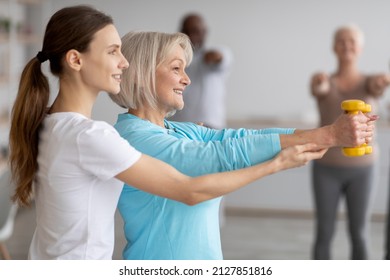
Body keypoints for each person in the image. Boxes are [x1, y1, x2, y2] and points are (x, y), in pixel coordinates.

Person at [7, 5, 330, 261]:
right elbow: (189, 191)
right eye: (113, 52)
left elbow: (225, 142)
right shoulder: (90, 136)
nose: (124, 62)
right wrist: (277, 164)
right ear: (76, 60)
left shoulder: (53, 123)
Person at [109, 31, 376, 260]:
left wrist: (327, 134)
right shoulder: (133, 138)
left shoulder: (177, 130)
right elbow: (215, 157)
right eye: (176, 68)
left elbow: (239, 139)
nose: (187, 79)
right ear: (143, 73)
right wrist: (329, 135)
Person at [310, 24, 390, 260]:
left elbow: (378, 86)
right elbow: (320, 89)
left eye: (352, 41)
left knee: (360, 233)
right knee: (324, 232)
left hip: (363, 170)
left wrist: (383, 81)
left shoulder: (370, 82)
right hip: (326, 169)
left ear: (360, 48)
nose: (347, 45)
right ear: (334, 47)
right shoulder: (324, 80)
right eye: (342, 41)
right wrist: (319, 84)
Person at [169, 13, 232, 129]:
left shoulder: (215, 52)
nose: (191, 36)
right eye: (187, 31)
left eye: (195, 31)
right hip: (178, 126)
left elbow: (220, 58)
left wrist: (214, 57)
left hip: (210, 125)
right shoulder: (173, 56)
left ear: (205, 32)